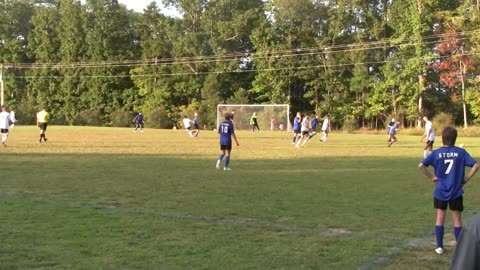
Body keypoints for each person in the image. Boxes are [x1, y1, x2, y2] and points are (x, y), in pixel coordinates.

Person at [418, 126, 479, 255]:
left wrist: (432, 177)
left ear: (442, 138)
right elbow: (476, 165)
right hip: (456, 190)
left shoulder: (436, 153)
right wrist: (466, 178)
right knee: (457, 219)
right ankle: (460, 247)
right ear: (455, 139)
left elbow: (421, 165)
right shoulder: (461, 153)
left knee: (440, 217)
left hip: (440, 190)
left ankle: (439, 247)